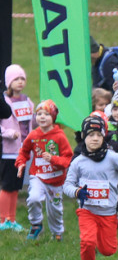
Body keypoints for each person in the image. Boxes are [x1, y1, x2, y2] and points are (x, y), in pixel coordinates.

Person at [64, 115, 118, 260]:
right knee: (87, 242)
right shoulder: (78, 162)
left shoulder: (113, 157)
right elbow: (67, 185)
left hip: (108, 212)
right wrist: (77, 192)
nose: (95, 138)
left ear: (104, 137)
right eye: (91, 135)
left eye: (99, 135)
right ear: (84, 137)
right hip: (87, 211)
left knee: (108, 250)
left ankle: (99, 239)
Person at [15, 100, 74, 241]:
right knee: (34, 198)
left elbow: (67, 158)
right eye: (39, 113)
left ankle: (57, 233)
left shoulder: (59, 136)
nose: (42, 117)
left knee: (55, 209)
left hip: (56, 180)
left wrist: (53, 159)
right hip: (38, 176)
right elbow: (24, 151)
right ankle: (36, 225)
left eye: (46, 114)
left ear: (53, 117)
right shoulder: (33, 135)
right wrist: (21, 163)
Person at [2, 65, 33, 230]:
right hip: (8, 152)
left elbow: (33, 121)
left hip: (23, 151)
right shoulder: (3, 102)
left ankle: (11, 220)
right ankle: (1, 220)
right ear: (8, 82)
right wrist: (8, 133)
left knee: (15, 187)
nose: (20, 82)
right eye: (16, 79)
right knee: (7, 186)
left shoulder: (27, 101)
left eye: (22, 79)